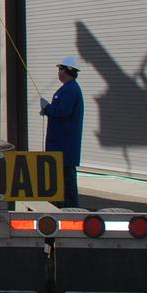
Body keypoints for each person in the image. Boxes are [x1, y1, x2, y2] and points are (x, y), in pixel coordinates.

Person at [40, 55, 85, 208]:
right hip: (62, 142)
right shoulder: (69, 89)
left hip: (63, 143)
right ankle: (65, 204)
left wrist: (47, 108)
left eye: (60, 69)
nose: (58, 72)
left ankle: (70, 206)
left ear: (66, 71)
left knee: (66, 177)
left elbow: (63, 112)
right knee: (63, 176)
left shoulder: (69, 90)